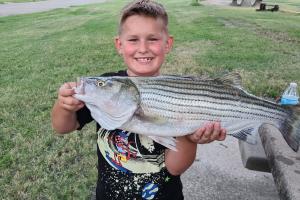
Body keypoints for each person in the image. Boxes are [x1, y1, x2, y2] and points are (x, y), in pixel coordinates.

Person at [51, 0, 226, 199]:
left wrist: (188, 136)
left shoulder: (178, 96)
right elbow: (62, 127)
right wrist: (64, 106)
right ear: (119, 44)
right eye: (133, 39)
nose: (143, 48)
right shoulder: (108, 86)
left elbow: (175, 168)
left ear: (167, 44)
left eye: (152, 39)